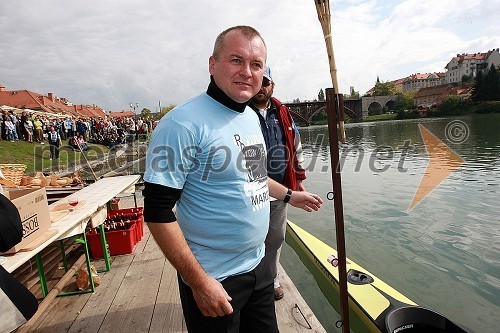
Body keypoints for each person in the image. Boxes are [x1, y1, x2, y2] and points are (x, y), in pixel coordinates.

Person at [142, 25, 323, 333]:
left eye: (256, 65)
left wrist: (291, 195)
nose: (247, 72)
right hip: (215, 278)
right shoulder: (182, 124)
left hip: (259, 267)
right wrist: (200, 283)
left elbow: (256, 178)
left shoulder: (251, 116)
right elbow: (157, 212)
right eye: (236, 60)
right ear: (213, 64)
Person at [250, 67, 306, 301]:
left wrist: (299, 179)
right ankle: (251, 280)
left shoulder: (282, 113)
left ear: (272, 86)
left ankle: (272, 279)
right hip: (250, 191)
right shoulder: (240, 111)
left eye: (266, 82)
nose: (262, 87)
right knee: (251, 236)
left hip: (281, 189)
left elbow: (295, 144)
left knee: (276, 237)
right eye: (258, 81)